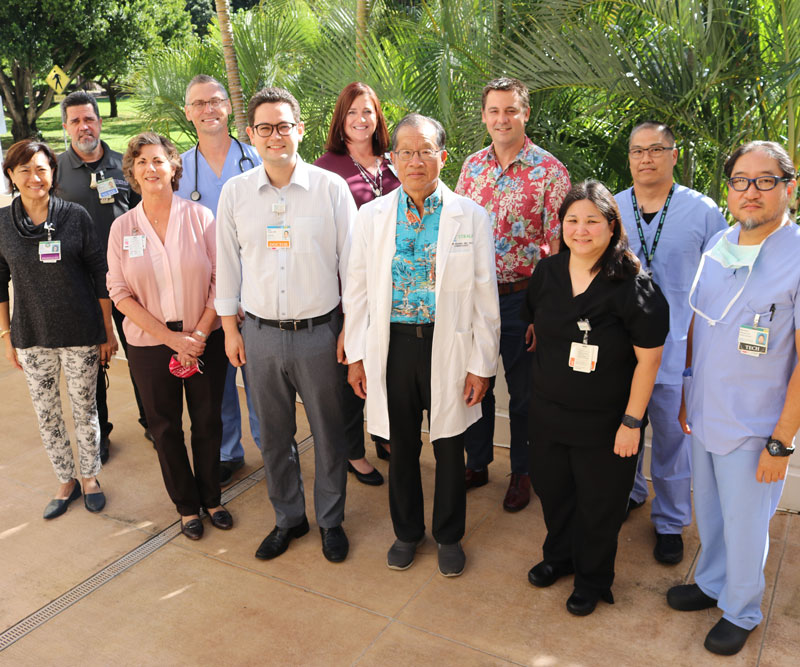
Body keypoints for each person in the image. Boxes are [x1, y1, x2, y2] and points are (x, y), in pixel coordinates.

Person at [344, 114, 500, 576]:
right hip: (391, 346)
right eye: (406, 151)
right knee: (400, 445)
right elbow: (356, 289)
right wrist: (356, 355)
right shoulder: (371, 216)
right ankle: (407, 532)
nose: (415, 160)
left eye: (425, 150)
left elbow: (485, 297)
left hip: (447, 346)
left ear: (442, 157)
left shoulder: (470, 216)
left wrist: (481, 365)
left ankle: (449, 535)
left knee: (450, 445)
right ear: (392, 159)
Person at [669, 141, 799, 656]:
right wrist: (686, 393)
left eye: (765, 180)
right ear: (729, 190)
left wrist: (782, 441)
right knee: (715, 512)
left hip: (756, 424)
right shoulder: (721, 243)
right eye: (741, 180)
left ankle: (742, 609)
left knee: (747, 525)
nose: (751, 191)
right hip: (706, 409)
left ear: (787, 187)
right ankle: (712, 581)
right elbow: (702, 322)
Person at [216, 87, 356, 563]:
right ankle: (289, 519)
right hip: (258, 333)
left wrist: (349, 331)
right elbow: (227, 265)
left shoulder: (330, 188)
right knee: (273, 437)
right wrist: (231, 330)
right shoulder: (236, 193)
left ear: (300, 129)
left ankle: (331, 521)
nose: (275, 136)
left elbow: (353, 266)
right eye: (264, 128)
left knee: (329, 432)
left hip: (320, 333)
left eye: (284, 125)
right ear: (251, 135)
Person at [523, 180, 668, 616]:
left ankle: (592, 578)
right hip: (548, 413)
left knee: (599, 506)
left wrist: (631, 422)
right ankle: (559, 557)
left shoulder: (632, 284)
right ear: (561, 226)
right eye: (572, 220)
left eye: (592, 221)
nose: (580, 230)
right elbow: (537, 331)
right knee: (554, 492)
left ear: (611, 226)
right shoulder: (547, 273)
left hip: (607, 424)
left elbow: (649, 361)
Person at [107, 132, 231, 541]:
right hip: (149, 345)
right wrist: (169, 337)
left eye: (158, 160)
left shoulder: (201, 217)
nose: (150, 168)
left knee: (208, 421)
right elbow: (119, 292)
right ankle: (186, 506)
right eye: (141, 162)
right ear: (132, 173)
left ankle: (212, 498)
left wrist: (197, 332)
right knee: (164, 428)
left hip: (203, 339)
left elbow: (221, 279)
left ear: (173, 167)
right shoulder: (123, 228)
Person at [615, 121, 727, 565]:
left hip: (678, 350)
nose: (647, 158)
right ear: (629, 158)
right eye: (638, 151)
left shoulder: (703, 211)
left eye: (656, 149)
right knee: (623, 432)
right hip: (622, 352)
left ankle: (670, 522)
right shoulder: (613, 207)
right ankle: (632, 493)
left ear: (674, 155)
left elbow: (721, 283)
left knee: (671, 443)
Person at [456, 77, 570, 512]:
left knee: (525, 395)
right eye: (494, 111)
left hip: (525, 299)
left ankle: (523, 472)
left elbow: (560, 251)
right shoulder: (471, 167)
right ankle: (478, 462)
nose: (502, 119)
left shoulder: (550, 172)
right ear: (484, 116)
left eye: (511, 110)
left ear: (525, 114)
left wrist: (546, 314)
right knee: (476, 383)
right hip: (475, 298)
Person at [1, 139, 114, 518]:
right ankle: (66, 480)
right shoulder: (2, 224)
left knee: (85, 409)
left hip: (81, 329)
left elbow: (100, 272)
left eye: (42, 168)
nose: (34, 177)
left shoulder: (75, 216)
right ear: (11, 176)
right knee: (46, 412)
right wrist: (6, 335)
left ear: (53, 172)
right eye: (24, 170)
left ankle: (90, 477)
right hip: (32, 334)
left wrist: (107, 330)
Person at [175, 74, 263, 488]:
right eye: (199, 103)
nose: (208, 109)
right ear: (188, 112)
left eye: (215, 101)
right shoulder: (180, 171)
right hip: (208, 298)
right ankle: (230, 451)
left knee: (262, 381)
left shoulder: (257, 157)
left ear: (228, 106)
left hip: (260, 290)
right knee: (220, 383)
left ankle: (273, 446)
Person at [314, 81, 402, 487]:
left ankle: (384, 435)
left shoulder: (394, 162)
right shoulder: (325, 168)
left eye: (367, 111)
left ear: (378, 116)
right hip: (348, 287)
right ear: (341, 120)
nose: (361, 120)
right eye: (352, 113)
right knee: (351, 369)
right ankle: (353, 450)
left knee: (387, 367)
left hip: (394, 287)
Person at [56, 91, 147, 463]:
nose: (83, 127)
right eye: (75, 121)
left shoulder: (124, 164)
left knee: (143, 356)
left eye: (89, 119)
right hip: (81, 287)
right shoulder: (56, 171)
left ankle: (153, 421)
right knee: (90, 364)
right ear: (65, 127)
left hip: (130, 281)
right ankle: (100, 433)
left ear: (100, 122)